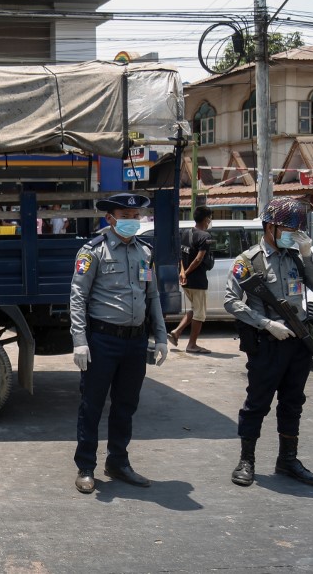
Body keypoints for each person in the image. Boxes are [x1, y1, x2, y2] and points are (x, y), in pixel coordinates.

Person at [69, 192, 168, 494]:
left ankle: (118, 462)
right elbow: (78, 297)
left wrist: (161, 336)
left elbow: (152, 296)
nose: (133, 222)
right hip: (102, 341)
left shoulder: (145, 252)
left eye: (136, 216)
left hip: (135, 342)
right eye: (126, 217)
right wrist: (79, 341)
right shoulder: (92, 252)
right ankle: (86, 467)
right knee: (93, 405)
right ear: (110, 218)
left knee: (126, 405)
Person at [224, 196, 313, 488]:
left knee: (293, 402)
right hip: (268, 343)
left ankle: (288, 460)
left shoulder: (296, 256)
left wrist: (308, 255)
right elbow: (231, 301)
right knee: (257, 403)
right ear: (269, 227)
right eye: (287, 229)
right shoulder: (248, 261)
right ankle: (247, 460)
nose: (292, 235)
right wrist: (265, 322)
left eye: (296, 231)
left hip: (297, 342)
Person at [168, 206, 214, 354]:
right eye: (210, 219)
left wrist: (182, 272)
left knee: (195, 310)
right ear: (206, 219)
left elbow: (181, 256)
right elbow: (199, 259)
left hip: (186, 281)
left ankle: (176, 332)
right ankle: (192, 345)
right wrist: (186, 272)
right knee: (200, 314)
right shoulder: (205, 236)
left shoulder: (185, 233)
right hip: (198, 281)